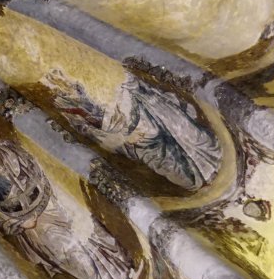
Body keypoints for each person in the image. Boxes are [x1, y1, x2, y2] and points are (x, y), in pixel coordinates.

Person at [0, 123, 134, 279]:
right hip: (33, 224)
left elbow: (36, 167)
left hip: (50, 202)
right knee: (70, 253)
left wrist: (52, 194)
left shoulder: (8, 151)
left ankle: (122, 272)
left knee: (90, 233)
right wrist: (20, 223)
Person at [42, 69, 223, 191]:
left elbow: (155, 157)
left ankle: (81, 100)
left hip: (137, 124)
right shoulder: (208, 147)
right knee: (158, 131)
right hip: (137, 120)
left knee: (158, 130)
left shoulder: (189, 175)